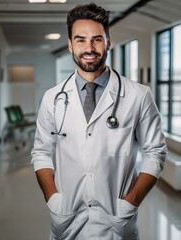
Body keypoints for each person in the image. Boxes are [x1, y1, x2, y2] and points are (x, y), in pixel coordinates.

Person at [31, 3, 167, 240]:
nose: (89, 48)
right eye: (81, 40)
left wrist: (131, 202)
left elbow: (155, 152)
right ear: (70, 44)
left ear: (108, 41)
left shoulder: (138, 95)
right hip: (67, 220)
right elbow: (41, 152)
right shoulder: (52, 98)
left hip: (116, 222)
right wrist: (53, 198)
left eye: (97, 39)